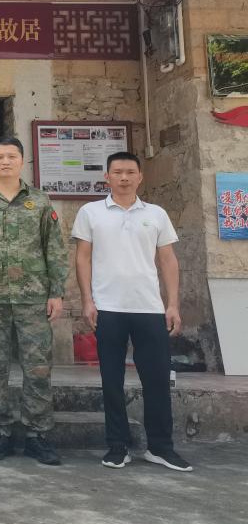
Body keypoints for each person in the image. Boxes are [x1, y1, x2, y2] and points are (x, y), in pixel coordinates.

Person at [72, 152, 192, 472]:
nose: (123, 178)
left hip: (149, 308)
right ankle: (117, 446)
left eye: (129, 172)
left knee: (157, 379)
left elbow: (167, 260)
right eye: (117, 172)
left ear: (140, 177)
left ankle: (160, 447)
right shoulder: (91, 212)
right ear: (107, 177)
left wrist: (172, 304)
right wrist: (87, 300)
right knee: (111, 381)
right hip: (108, 308)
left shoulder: (156, 214)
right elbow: (82, 258)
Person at [0, 135, 68, 466]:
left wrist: (56, 291)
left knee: (37, 367)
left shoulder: (40, 201)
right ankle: (0, 432)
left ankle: (37, 435)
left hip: (33, 298)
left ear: (22, 161)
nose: (5, 161)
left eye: (11, 156)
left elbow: (54, 248)